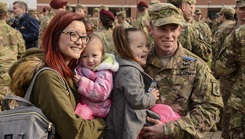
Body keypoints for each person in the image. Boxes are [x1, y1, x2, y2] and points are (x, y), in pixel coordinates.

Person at [8, 11, 106, 139]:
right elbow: (74, 131)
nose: (80, 42)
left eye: (83, 37)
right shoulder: (48, 77)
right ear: (55, 36)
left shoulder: (68, 72)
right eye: (73, 34)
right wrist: (104, 123)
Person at [141, 3, 223, 139]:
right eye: (162, 29)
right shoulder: (140, 63)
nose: (169, 35)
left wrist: (169, 129)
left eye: (173, 29)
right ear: (150, 29)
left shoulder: (196, 66)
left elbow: (210, 109)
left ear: (180, 29)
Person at [105, 26, 182, 139]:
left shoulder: (127, 67)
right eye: (139, 46)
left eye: (146, 45)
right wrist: (151, 97)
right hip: (128, 124)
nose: (145, 50)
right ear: (125, 48)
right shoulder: (129, 71)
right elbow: (137, 100)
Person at [73, 33, 119, 120]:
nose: (90, 60)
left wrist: (82, 83)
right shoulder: (80, 68)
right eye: (85, 56)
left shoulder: (105, 71)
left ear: (102, 55)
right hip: (86, 106)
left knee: (79, 116)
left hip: (99, 110)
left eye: (94, 55)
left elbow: (102, 93)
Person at [0, 2, 25, 111]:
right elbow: (22, 57)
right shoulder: (15, 33)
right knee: (10, 119)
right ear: (6, 14)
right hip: (9, 81)